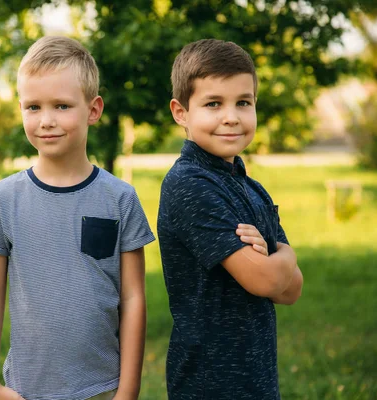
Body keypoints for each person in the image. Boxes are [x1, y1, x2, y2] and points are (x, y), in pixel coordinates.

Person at [0, 35, 155, 400]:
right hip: (25, 390)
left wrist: (127, 391)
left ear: (93, 109)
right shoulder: (2, 200)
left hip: (102, 388)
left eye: (62, 106)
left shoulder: (120, 199)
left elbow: (133, 300)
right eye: (33, 107)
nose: (46, 121)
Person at [157, 38, 303, 399]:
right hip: (209, 382)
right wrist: (285, 255)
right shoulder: (189, 184)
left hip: (256, 376)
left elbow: (292, 291)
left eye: (243, 102)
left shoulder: (252, 188)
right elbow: (267, 282)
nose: (231, 117)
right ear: (181, 112)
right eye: (213, 104)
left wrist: (276, 264)